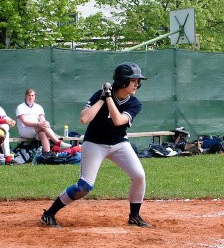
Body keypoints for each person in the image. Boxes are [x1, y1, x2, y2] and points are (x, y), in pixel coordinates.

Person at [40, 62, 150, 228]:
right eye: (133, 80)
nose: (137, 84)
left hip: (119, 143)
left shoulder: (134, 103)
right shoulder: (100, 95)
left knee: (139, 176)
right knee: (84, 186)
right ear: (122, 81)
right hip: (95, 143)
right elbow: (84, 118)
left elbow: (118, 120)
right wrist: (102, 99)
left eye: (137, 81)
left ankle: (134, 216)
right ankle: (49, 214)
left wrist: (109, 99)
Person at [16, 88, 71, 157]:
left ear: (35, 97)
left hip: (37, 130)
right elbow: (25, 122)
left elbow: (42, 119)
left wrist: (45, 122)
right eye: (29, 95)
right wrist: (38, 124)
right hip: (25, 131)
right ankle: (58, 143)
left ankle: (47, 153)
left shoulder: (38, 107)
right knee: (42, 127)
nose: (31, 97)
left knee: (43, 132)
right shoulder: (20, 107)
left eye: (32, 95)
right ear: (25, 96)